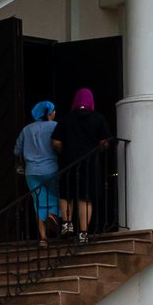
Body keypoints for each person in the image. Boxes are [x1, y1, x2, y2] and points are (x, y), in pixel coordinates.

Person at [61, 84, 105, 240]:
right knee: (85, 198)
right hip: (90, 164)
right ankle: (83, 233)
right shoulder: (98, 118)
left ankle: (67, 224)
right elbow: (105, 141)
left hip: (68, 163)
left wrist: (67, 151)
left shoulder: (66, 118)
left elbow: (55, 142)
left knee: (66, 194)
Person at [16, 98, 61, 240]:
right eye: (53, 110)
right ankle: (52, 215)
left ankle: (42, 238)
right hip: (51, 169)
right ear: (49, 113)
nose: (55, 112)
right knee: (58, 196)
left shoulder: (26, 129)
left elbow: (17, 150)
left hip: (31, 172)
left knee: (39, 202)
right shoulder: (55, 126)